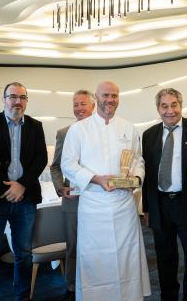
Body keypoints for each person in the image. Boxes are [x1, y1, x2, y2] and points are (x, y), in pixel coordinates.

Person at [61, 81, 151, 300]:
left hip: (123, 206)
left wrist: (136, 178)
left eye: (114, 96)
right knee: (95, 260)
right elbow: (68, 164)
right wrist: (95, 178)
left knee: (127, 258)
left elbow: (138, 160)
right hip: (93, 206)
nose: (110, 100)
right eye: (105, 96)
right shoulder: (78, 129)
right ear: (96, 98)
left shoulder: (129, 127)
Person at [0, 82, 47, 300]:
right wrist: (6, 189)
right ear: (4, 99)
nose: (17, 101)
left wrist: (22, 184)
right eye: (12, 96)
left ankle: (22, 296)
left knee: (24, 253)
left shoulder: (35, 125)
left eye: (22, 97)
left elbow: (40, 159)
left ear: (26, 101)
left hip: (26, 198)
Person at [142, 88, 187, 301]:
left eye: (174, 105)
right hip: (160, 205)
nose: (170, 110)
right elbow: (147, 174)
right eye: (164, 106)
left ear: (181, 106)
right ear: (158, 109)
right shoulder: (149, 135)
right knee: (164, 258)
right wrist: (146, 207)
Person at [50, 89, 95, 298]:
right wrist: (61, 187)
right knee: (73, 245)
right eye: (76, 104)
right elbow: (55, 166)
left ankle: (97, 283)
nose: (79, 108)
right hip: (72, 200)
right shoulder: (64, 133)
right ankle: (72, 286)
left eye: (83, 104)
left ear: (93, 106)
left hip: (98, 198)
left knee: (97, 244)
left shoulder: (103, 131)